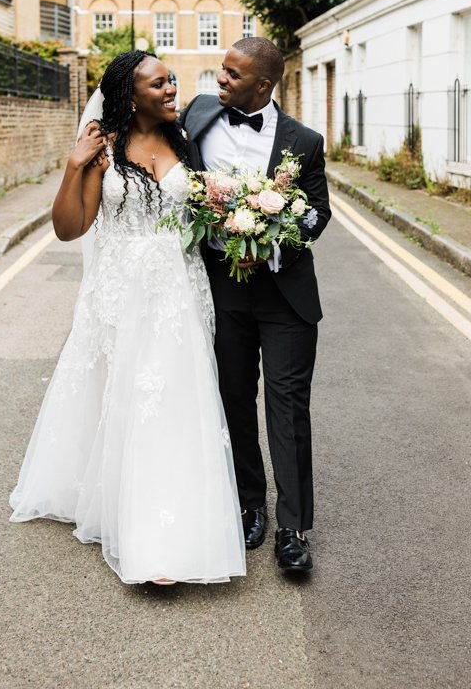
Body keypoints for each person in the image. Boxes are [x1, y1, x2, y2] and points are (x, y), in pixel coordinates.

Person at [9, 50, 246, 586]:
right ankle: (139, 529)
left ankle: (171, 528)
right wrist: (75, 165)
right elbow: (70, 229)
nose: (171, 89)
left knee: (173, 400)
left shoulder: (186, 138)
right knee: (126, 397)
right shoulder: (104, 148)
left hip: (181, 292)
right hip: (120, 288)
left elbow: (206, 209)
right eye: (159, 83)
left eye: (172, 81)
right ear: (129, 94)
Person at [178, 37, 331, 573]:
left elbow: (318, 214)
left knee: (288, 408)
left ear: (262, 86)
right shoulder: (196, 115)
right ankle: (249, 505)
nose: (220, 80)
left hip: (284, 293)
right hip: (224, 287)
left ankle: (293, 528)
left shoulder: (305, 141)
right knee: (234, 399)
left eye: (232, 75)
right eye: (221, 70)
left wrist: (279, 228)